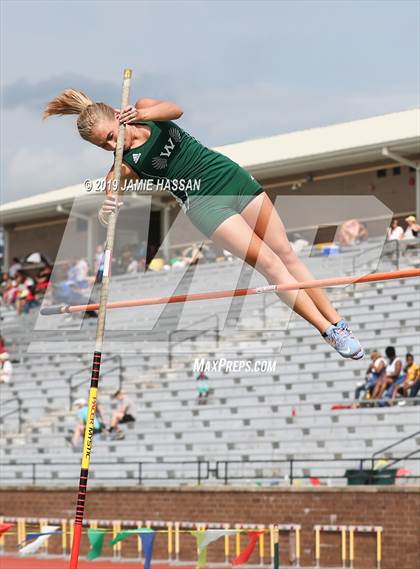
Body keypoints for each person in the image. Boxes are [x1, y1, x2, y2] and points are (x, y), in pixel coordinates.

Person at [43, 91, 365, 360]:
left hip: (228, 176)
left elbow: (177, 110)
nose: (112, 146)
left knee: (286, 253)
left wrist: (140, 114)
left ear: (117, 116)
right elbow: (110, 190)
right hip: (203, 204)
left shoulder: (143, 109)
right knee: (269, 262)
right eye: (103, 146)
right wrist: (107, 208)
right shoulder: (124, 164)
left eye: (112, 136)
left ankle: (338, 324)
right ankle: (326, 331)